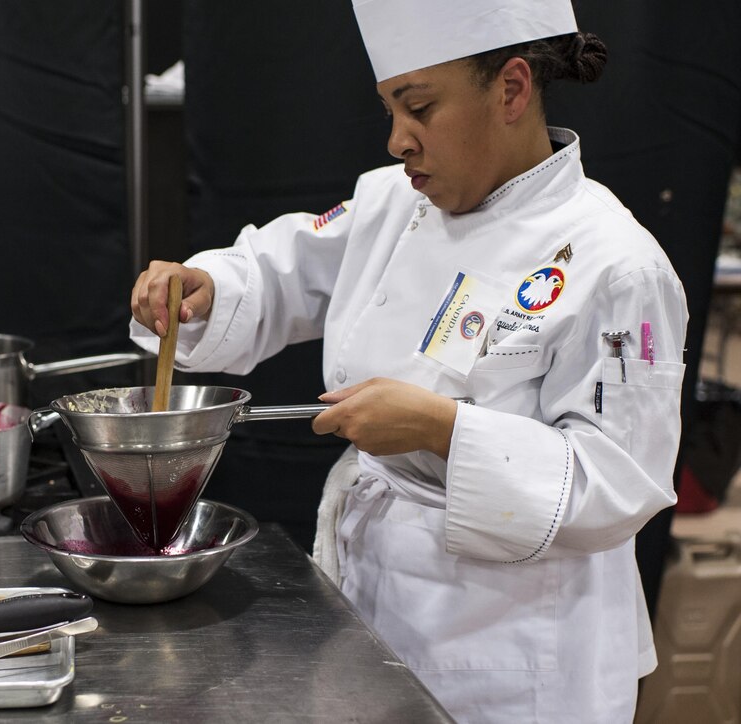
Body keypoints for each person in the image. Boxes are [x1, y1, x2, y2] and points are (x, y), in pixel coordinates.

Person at [129, 1, 688, 721]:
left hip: (519, 654)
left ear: (513, 89)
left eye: (419, 107)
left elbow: (620, 482)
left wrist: (443, 430)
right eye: (390, 108)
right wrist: (210, 289)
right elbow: (294, 265)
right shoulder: (394, 201)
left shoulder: (616, 264)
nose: (398, 140)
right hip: (375, 611)